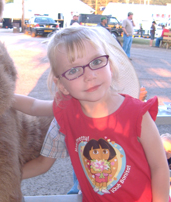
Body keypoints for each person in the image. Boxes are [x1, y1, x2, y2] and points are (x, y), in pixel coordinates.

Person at [14, 26, 169, 201]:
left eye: (96, 62)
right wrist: (0, 98)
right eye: (74, 70)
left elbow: (159, 167)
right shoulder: (67, 110)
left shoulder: (137, 114)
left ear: (109, 65)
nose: (89, 76)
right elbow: (34, 106)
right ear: (62, 85)